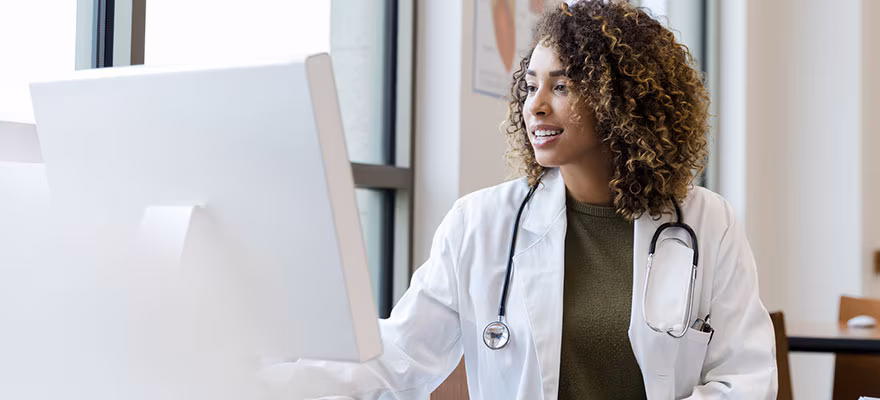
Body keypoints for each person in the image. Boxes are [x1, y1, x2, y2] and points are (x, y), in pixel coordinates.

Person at [262, 1, 777, 399]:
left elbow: (744, 378)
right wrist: (261, 376)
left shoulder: (707, 223)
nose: (536, 105)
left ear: (619, 100)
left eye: (562, 85)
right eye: (530, 85)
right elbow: (398, 355)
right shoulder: (480, 223)